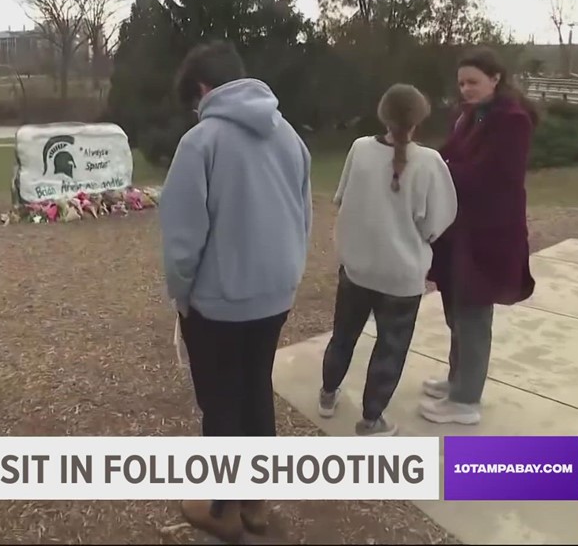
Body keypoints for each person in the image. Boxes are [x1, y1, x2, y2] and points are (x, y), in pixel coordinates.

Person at [159, 40, 312, 543]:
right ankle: (255, 501)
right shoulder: (290, 136)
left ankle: (223, 507)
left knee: (220, 404)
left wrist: (180, 295)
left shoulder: (201, 142)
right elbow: (305, 216)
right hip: (276, 293)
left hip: (219, 301)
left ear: (202, 89)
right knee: (254, 392)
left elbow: (184, 239)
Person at [318, 84, 457, 437]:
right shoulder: (430, 162)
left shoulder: (359, 149)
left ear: (382, 113)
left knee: (343, 335)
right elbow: (437, 222)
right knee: (390, 347)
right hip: (402, 274)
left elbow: (341, 198)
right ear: (420, 118)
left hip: (357, 267)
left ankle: (328, 394)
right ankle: (371, 418)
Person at [422, 48, 537, 426]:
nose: (465, 89)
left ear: (495, 78)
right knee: (456, 308)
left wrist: (439, 174)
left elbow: (492, 176)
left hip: (489, 232)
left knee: (473, 313)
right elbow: (449, 155)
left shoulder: (513, 121)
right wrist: (424, 163)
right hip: (460, 228)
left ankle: (466, 399)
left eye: (472, 82)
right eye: (461, 83)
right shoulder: (469, 115)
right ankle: (457, 379)